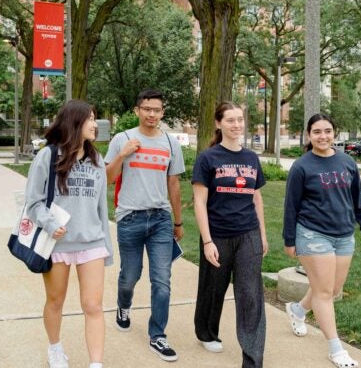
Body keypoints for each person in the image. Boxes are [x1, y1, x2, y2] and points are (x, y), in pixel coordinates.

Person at [282, 113, 361, 368]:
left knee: (332, 290)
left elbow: (359, 198)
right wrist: (289, 239)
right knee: (323, 292)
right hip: (313, 234)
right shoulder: (302, 166)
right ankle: (336, 349)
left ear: (334, 133)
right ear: (309, 135)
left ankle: (298, 310)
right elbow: (290, 205)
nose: (322, 136)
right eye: (316, 132)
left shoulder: (347, 162)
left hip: (344, 235)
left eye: (327, 131)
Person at [25, 100, 113, 368]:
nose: (94, 123)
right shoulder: (48, 156)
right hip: (57, 244)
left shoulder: (96, 160)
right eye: (90, 118)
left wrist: (107, 248)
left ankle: (96, 363)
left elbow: (101, 208)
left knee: (93, 306)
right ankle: (55, 348)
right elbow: (33, 202)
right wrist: (51, 224)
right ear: (74, 121)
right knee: (55, 300)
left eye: (95, 118)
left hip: (92, 243)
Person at [104, 89, 185, 362]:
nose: (152, 114)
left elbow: (173, 183)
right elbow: (107, 178)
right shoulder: (122, 139)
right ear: (137, 110)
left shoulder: (171, 144)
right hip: (130, 218)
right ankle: (123, 305)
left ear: (163, 112)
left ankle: (158, 335)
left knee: (162, 280)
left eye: (157, 110)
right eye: (147, 109)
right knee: (130, 276)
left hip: (161, 219)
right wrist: (122, 155)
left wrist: (178, 221)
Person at [192, 102, 268, 368]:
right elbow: (199, 202)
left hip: (248, 234)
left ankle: (252, 358)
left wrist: (262, 235)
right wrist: (207, 240)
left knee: (250, 295)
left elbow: (256, 198)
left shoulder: (251, 158)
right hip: (218, 234)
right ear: (218, 123)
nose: (237, 125)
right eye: (230, 120)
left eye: (240, 120)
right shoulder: (208, 158)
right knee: (213, 288)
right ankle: (206, 331)